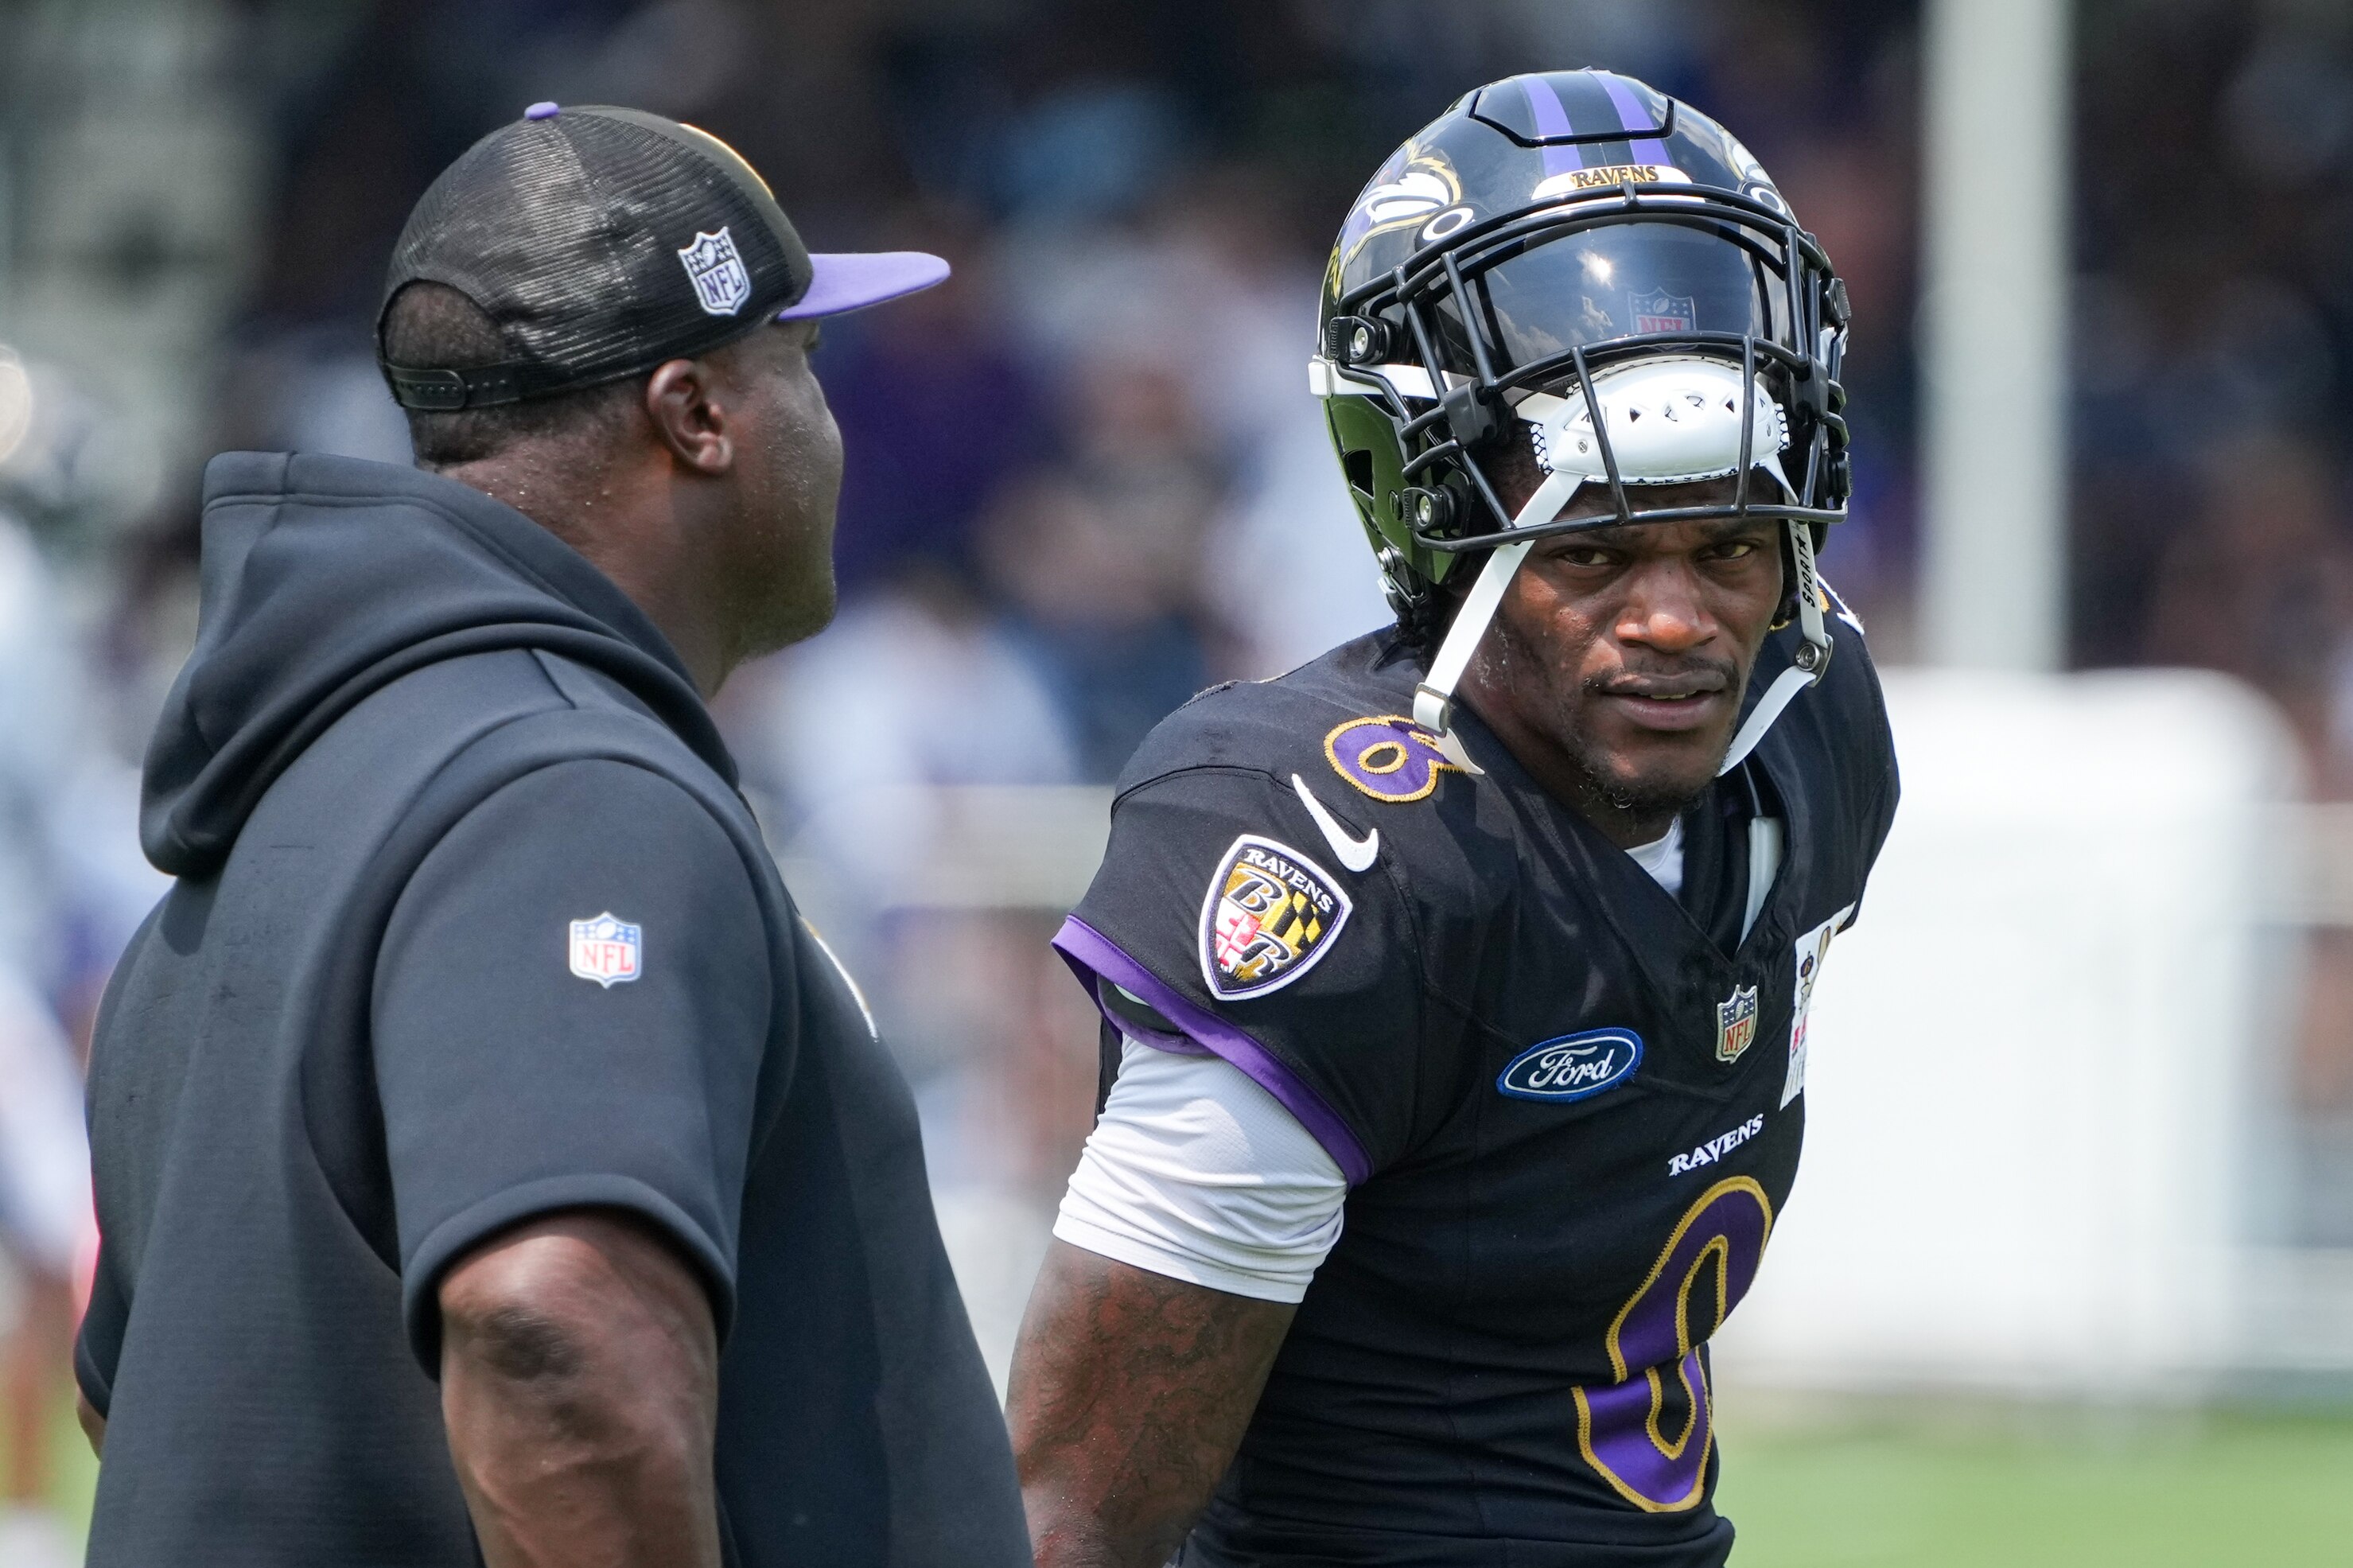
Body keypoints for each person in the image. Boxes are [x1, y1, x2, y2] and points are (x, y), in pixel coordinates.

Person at [75, 103, 1032, 1566]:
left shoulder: (266, 834)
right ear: (696, 416)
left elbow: (144, 1417)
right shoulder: (569, 789)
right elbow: (551, 1328)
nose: (830, 421)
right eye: (806, 361)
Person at [1007, 69, 1898, 1567]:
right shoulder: (1335, 855)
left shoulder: (1812, 727)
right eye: (1597, 554)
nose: (1677, 620)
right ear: (1435, 518)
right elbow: (1073, 1515)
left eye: (1734, 545)